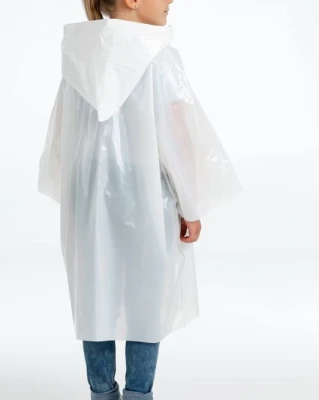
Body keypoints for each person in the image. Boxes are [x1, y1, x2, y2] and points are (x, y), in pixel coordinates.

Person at [37, 0, 243, 399]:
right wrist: (190, 204)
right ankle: (138, 393)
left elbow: (63, 130)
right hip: (145, 189)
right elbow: (177, 136)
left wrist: (75, 191)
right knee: (146, 295)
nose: (170, 1)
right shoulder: (158, 55)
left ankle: (101, 392)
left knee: (95, 292)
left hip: (88, 190)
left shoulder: (80, 53)